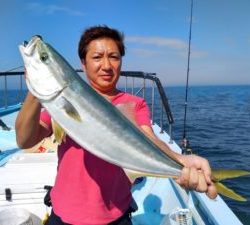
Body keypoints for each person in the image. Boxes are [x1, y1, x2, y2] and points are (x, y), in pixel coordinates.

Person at [15, 25, 217, 225]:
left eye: (114, 57)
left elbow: (148, 138)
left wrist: (180, 161)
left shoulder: (133, 103)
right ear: (83, 63)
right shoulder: (61, 102)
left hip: (115, 217)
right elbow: (25, 140)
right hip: (64, 214)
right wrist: (37, 84)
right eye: (97, 57)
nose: (106, 65)